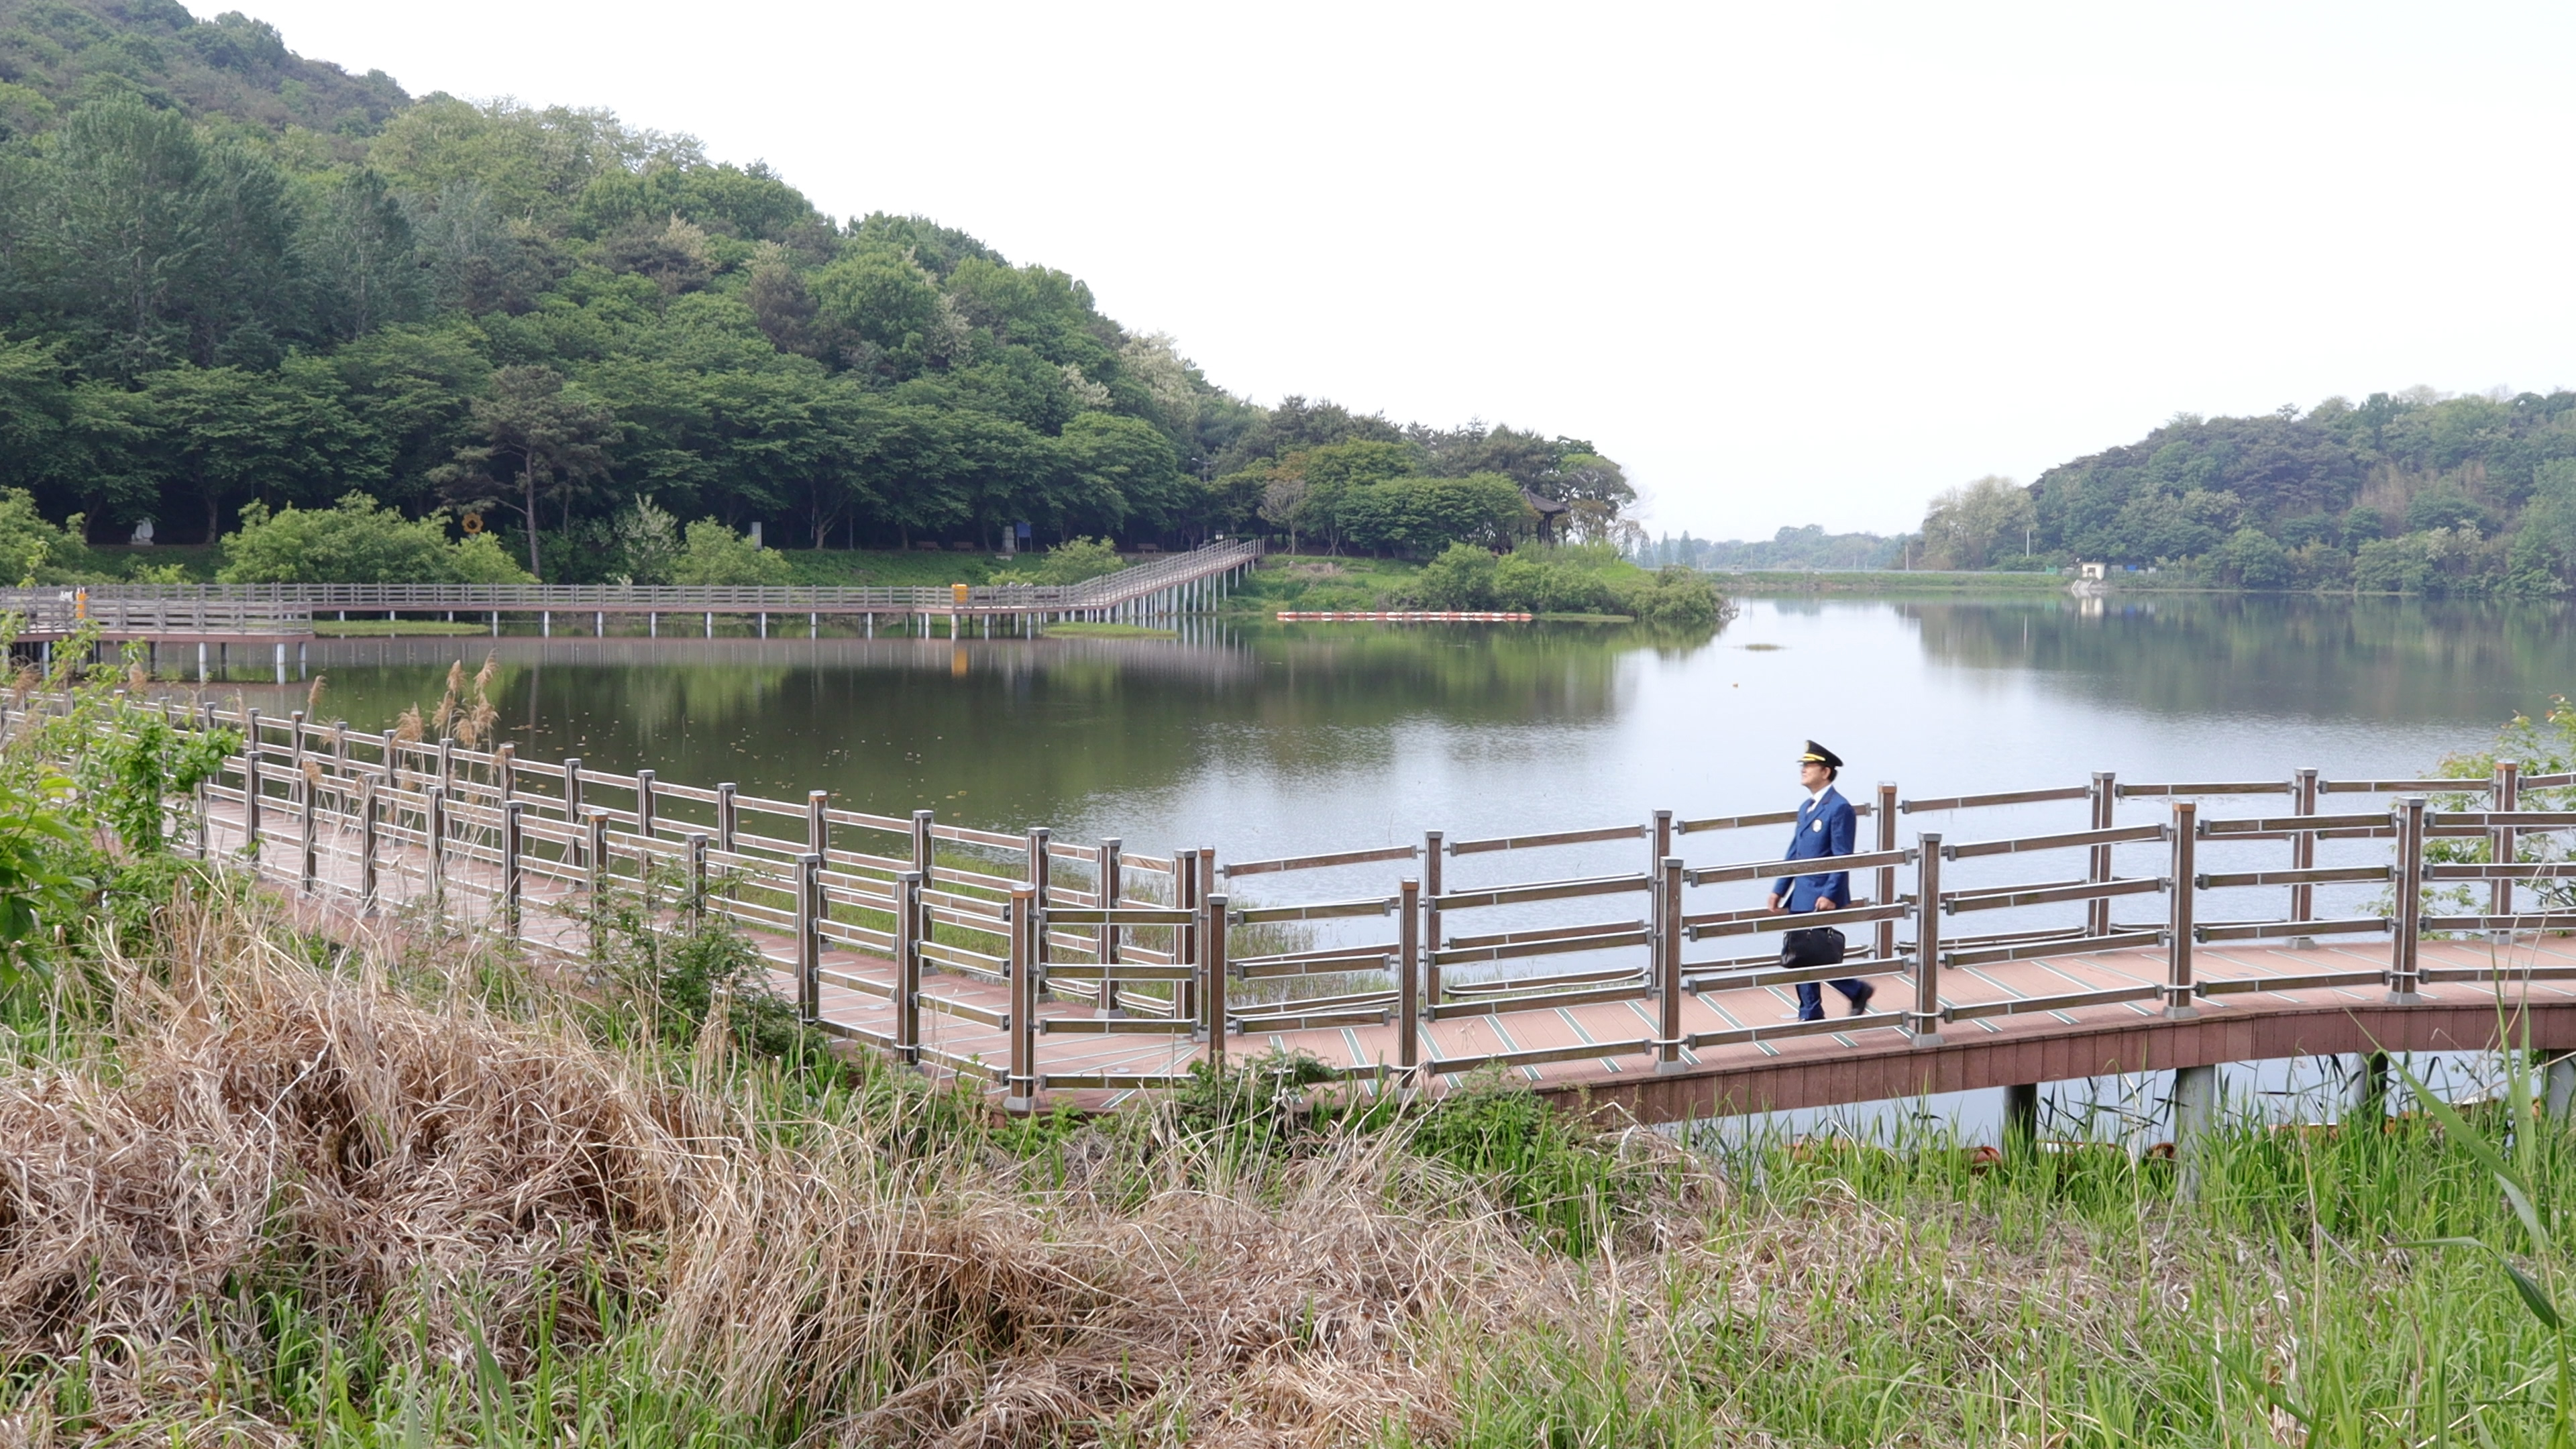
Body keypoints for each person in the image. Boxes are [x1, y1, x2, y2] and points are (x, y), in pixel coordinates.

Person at [1768, 740, 1873, 1020]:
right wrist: (1779, 889)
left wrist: (1830, 893)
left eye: (1809, 765)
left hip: (1821, 894)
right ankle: (1812, 1009)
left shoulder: (1839, 808)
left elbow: (1842, 856)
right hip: (1801, 893)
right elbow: (1795, 852)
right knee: (1801, 951)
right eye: (1803, 765)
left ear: (1825, 772)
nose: (1803, 770)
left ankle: (1850, 992)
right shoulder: (1807, 807)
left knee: (1811, 951)